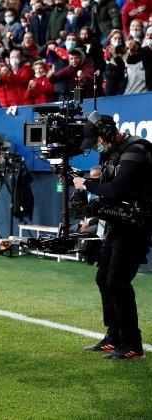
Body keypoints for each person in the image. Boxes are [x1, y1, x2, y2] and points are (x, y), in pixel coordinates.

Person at [73, 112, 152, 359]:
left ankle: (132, 345)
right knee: (103, 278)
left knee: (117, 283)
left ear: (107, 133)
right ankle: (115, 336)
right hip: (117, 225)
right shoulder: (113, 153)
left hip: (135, 227)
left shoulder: (137, 150)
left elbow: (115, 190)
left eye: (97, 139)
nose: (96, 146)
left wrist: (85, 184)